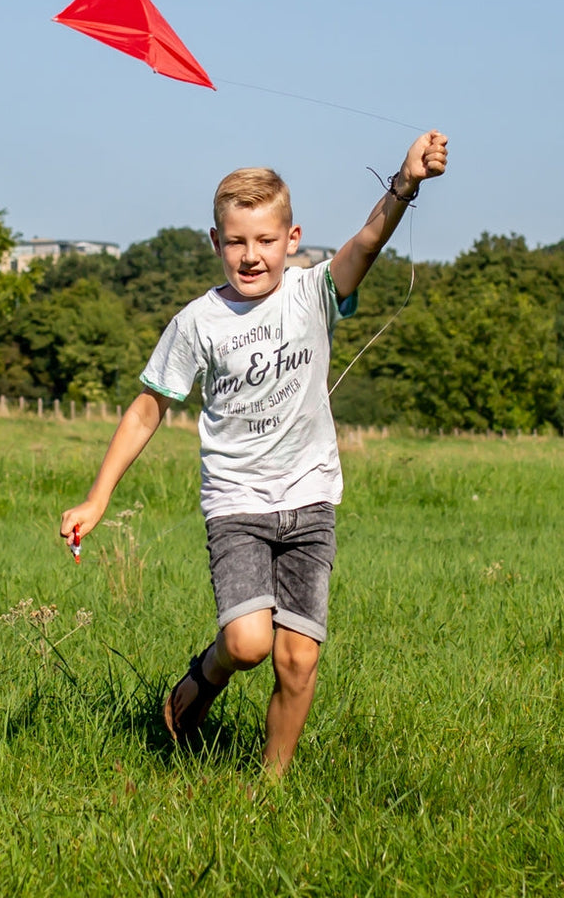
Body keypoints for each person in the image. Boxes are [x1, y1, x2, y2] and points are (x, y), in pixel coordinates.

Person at [60, 130, 448, 775]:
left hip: (311, 497)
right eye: (236, 241)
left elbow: (369, 241)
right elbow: (146, 408)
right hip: (236, 502)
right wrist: (98, 498)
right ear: (216, 243)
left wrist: (405, 184)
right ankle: (198, 682)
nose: (251, 256)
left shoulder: (314, 292)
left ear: (291, 241)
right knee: (246, 643)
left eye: (266, 240)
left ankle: (269, 789)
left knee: (298, 659)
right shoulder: (197, 323)